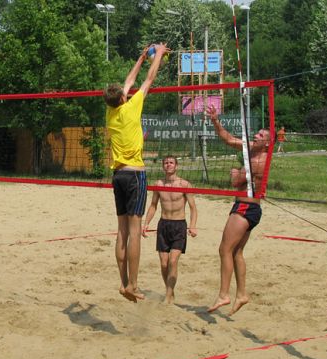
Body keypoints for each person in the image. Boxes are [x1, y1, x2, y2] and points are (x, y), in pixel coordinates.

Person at [104, 43, 169, 302]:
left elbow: (130, 80)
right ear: (123, 97)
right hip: (135, 175)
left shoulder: (111, 112)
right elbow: (148, 80)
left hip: (118, 175)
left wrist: (142, 56)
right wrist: (159, 55)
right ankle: (133, 284)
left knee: (121, 231)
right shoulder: (132, 107)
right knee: (134, 231)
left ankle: (123, 284)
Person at [205, 104, 271, 315]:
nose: (257, 135)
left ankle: (224, 294)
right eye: (258, 133)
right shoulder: (253, 149)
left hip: (245, 206)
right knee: (237, 252)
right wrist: (215, 121)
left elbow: (236, 181)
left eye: (261, 135)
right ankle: (241, 294)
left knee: (224, 249)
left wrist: (235, 172)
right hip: (250, 208)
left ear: (267, 143)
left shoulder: (259, 161)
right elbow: (229, 139)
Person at [142, 155, 198, 304]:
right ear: (163, 166)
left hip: (179, 225)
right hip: (163, 225)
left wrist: (192, 225)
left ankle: (168, 295)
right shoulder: (159, 184)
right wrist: (146, 223)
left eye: (171, 163)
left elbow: (193, 208)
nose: (168, 165)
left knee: (173, 261)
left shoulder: (185, 184)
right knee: (163, 263)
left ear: (176, 166)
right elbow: (153, 205)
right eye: (166, 163)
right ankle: (170, 291)